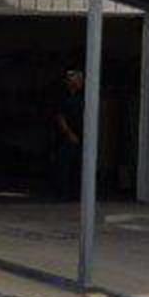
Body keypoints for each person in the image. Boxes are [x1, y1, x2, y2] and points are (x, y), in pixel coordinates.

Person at [54, 69, 84, 200]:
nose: (80, 82)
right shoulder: (63, 97)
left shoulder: (83, 96)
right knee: (64, 165)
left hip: (81, 136)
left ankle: (76, 194)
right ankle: (63, 194)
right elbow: (60, 117)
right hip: (66, 137)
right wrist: (69, 133)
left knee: (78, 166)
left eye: (80, 80)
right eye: (77, 80)